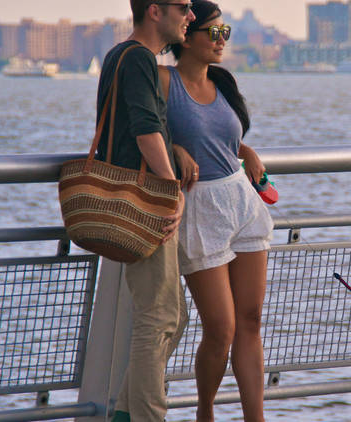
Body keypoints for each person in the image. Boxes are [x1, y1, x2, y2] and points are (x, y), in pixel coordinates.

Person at [158, 1, 273, 420]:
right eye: (214, 32)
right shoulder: (162, 80)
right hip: (199, 208)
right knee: (220, 327)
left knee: (251, 320)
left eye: (226, 33)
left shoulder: (222, 82)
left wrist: (247, 150)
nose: (222, 40)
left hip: (241, 201)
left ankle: (254, 418)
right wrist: (172, 149)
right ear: (186, 36)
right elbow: (138, 129)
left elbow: (222, 135)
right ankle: (205, 411)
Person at [95, 1, 195, 421]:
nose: (190, 15)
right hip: (146, 203)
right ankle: (149, 417)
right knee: (158, 319)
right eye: (184, 7)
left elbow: (141, 125)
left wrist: (171, 147)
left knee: (175, 315)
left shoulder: (122, 55)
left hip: (130, 199)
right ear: (155, 11)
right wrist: (172, 190)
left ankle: (123, 413)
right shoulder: (137, 59)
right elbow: (144, 128)